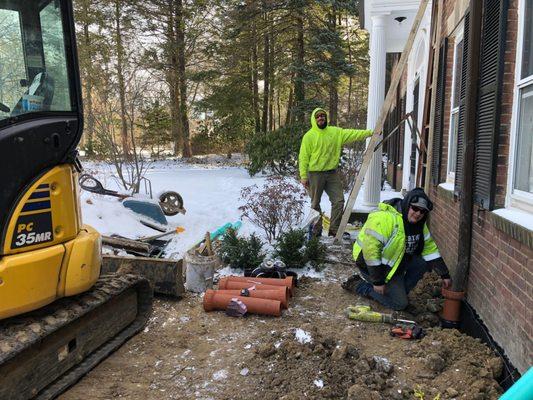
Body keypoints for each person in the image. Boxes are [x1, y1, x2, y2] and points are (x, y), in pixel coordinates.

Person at [342, 188, 452, 311]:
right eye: (415, 208)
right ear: (407, 205)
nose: (418, 214)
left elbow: (430, 250)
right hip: (370, 264)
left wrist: (444, 274)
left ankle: (397, 294)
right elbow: (370, 252)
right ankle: (359, 286)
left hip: (395, 263)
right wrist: (378, 281)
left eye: (422, 211)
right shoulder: (386, 219)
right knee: (400, 304)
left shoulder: (419, 224)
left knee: (422, 263)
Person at [299, 108, 372, 236]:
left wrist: (370, 133)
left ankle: (334, 230)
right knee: (315, 203)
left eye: (322, 115)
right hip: (315, 174)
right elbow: (303, 157)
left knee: (338, 201)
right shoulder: (309, 136)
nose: (320, 118)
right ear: (314, 119)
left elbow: (352, 134)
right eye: (317, 116)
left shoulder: (335, 132)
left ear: (326, 118)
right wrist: (303, 176)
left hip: (332, 173)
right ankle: (316, 230)